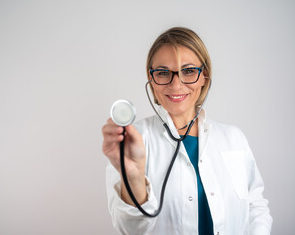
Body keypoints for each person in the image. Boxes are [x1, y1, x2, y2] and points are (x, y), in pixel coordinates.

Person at [102, 27, 272, 235]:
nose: (176, 84)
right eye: (163, 73)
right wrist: (134, 176)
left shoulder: (233, 138)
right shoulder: (130, 142)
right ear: (152, 78)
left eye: (189, 71)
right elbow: (130, 230)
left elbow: (255, 204)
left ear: (204, 76)